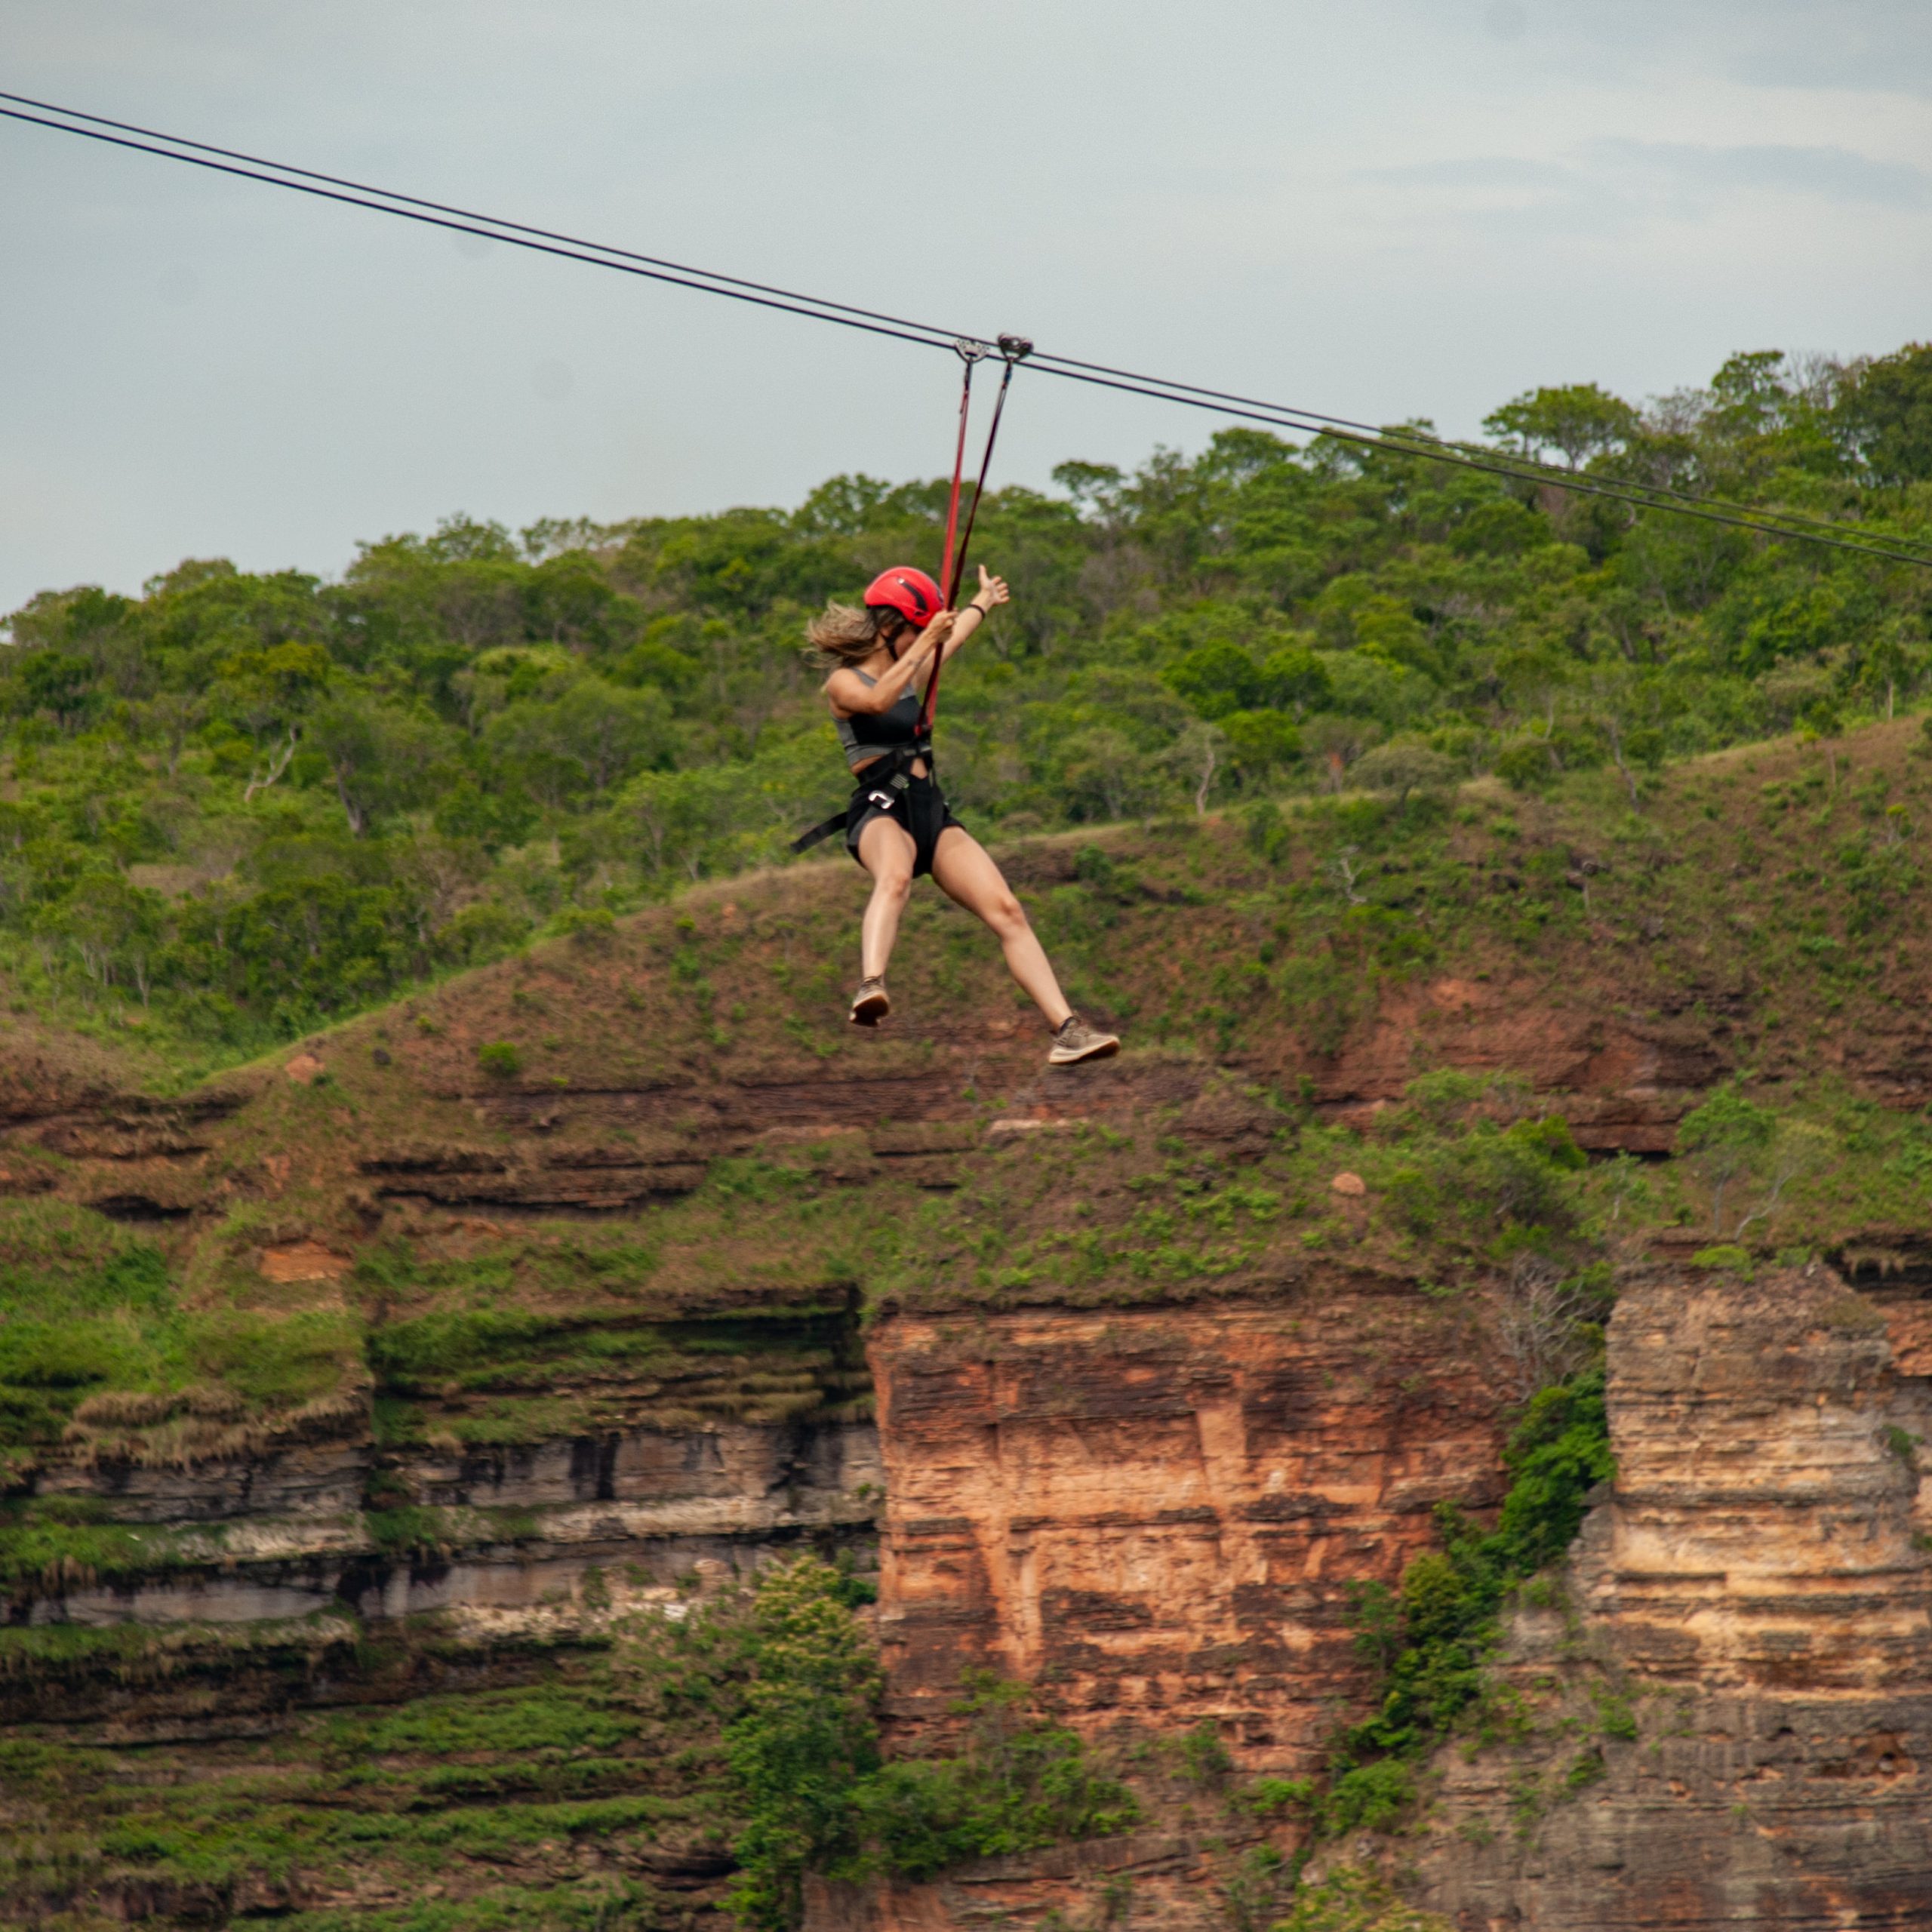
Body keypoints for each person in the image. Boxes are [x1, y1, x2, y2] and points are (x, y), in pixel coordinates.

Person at [806, 564, 1119, 1065]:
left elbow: (954, 638)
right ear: (890, 630)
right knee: (894, 879)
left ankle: (1067, 1030)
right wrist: (926, 642)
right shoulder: (844, 683)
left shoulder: (918, 663)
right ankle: (870, 985)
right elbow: (878, 698)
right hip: (881, 809)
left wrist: (982, 602)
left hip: (931, 809)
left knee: (1008, 911)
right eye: (912, 631)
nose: (919, 642)